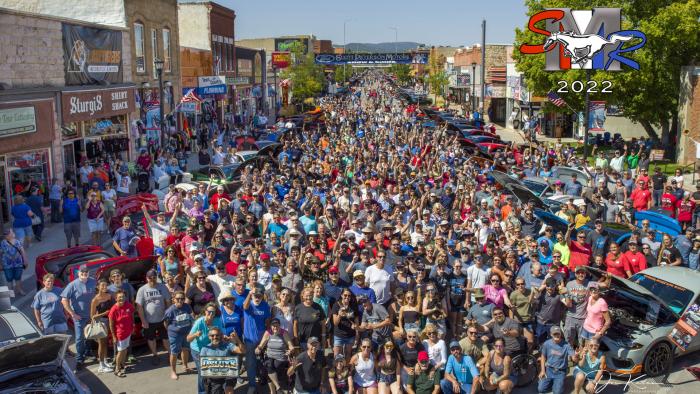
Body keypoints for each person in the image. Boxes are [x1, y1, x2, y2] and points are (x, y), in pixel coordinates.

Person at [61, 264, 96, 369]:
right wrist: (72, 313)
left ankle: (88, 352)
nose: (84, 275)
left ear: (88, 273)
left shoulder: (93, 281)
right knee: (80, 338)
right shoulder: (72, 285)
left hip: (91, 315)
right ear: (78, 273)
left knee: (90, 335)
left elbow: (98, 295)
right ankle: (80, 359)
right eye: (82, 273)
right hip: (79, 317)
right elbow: (64, 300)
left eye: (86, 273)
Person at [136, 269, 171, 365]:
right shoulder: (142, 290)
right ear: (146, 278)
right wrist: (143, 321)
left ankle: (170, 354)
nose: (152, 279)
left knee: (166, 338)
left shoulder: (162, 287)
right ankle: (155, 355)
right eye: (150, 278)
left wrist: (168, 317)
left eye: (154, 277)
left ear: (156, 278)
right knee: (151, 339)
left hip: (162, 319)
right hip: (149, 320)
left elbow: (168, 302)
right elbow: (139, 307)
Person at [187, 303, 224, 394]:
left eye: (213, 312)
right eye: (209, 312)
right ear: (205, 312)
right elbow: (188, 338)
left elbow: (221, 334)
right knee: (203, 372)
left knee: (212, 370)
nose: (211, 314)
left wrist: (226, 338)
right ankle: (202, 392)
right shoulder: (199, 322)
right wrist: (196, 334)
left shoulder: (217, 321)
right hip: (197, 350)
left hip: (210, 349)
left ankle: (214, 389)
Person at [199, 326, 245, 394]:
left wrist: (237, 339)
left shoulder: (228, 345)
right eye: (212, 335)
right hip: (214, 378)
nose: (215, 337)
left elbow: (242, 351)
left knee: (229, 391)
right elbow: (203, 367)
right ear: (209, 337)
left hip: (228, 375)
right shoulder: (205, 349)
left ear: (221, 336)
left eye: (217, 335)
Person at [243, 286, 271, 394]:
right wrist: (249, 295)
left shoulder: (265, 306)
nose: (257, 298)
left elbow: (268, 322)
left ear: (262, 296)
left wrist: (267, 338)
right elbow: (245, 307)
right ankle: (252, 385)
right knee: (250, 362)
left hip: (261, 338)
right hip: (249, 339)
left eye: (259, 296)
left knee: (261, 360)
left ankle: (262, 377)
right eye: (255, 296)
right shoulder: (248, 303)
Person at [257, 317, 295, 394]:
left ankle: (274, 391)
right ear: (271, 326)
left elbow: (291, 346)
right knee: (269, 365)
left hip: (281, 357)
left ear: (279, 326)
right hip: (270, 356)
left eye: (277, 325)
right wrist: (258, 348)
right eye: (273, 326)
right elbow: (262, 344)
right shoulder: (268, 332)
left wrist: (290, 350)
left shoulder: (284, 333)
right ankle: (278, 388)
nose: (275, 327)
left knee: (272, 367)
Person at [537, 326, 579, 394]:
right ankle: (552, 382)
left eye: (558, 334)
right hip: (549, 370)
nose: (556, 335)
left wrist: (576, 356)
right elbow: (543, 357)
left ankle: (559, 382)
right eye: (554, 334)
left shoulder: (566, 345)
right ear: (551, 334)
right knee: (540, 389)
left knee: (557, 392)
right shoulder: (547, 344)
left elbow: (574, 359)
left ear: (560, 334)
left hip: (560, 372)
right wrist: (542, 371)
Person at [163, 290, 194, 380]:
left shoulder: (187, 306)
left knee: (185, 349)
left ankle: (185, 366)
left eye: (182, 299)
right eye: (178, 299)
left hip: (186, 332)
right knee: (174, 352)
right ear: (174, 300)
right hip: (175, 335)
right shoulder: (170, 310)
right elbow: (165, 323)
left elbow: (191, 316)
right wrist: (172, 331)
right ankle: (173, 371)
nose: (180, 300)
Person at [108, 289, 134, 378]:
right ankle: (117, 369)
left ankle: (123, 364)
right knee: (120, 351)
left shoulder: (128, 305)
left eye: (123, 297)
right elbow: (111, 324)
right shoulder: (113, 310)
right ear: (116, 298)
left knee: (125, 349)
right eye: (119, 297)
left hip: (128, 332)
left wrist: (132, 327)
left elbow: (131, 316)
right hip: (120, 334)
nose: (121, 298)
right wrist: (114, 337)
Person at [1, 229, 28, 295]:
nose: (7, 236)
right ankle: (10, 292)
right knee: (9, 279)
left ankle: (19, 290)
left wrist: (25, 260)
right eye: (5, 235)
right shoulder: (2, 243)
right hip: (7, 264)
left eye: (8, 234)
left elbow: (22, 252)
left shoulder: (17, 242)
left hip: (18, 263)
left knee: (18, 277)